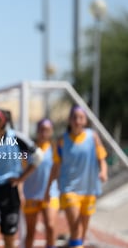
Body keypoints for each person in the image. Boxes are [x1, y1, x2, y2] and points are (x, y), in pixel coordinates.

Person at [0, 107, 44, 248]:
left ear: (1, 122)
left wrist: (21, 178)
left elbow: (38, 155)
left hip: (9, 191)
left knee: (9, 239)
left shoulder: (15, 138)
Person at [47, 105, 108, 248]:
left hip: (89, 189)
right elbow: (55, 167)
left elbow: (102, 158)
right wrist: (48, 189)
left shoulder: (92, 137)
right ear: (69, 120)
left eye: (81, 118)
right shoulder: (62, 141)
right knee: (76, 228)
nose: (77, 121)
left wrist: (103, 171)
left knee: (82, 232)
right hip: (69, 189)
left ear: (85, 120)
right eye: (74, 117)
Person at [23, 118, 59, 248]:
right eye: (42, 130)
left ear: (51, 132)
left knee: (50, 226)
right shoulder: (29, 149)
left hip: (50, 193)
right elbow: (20, 171)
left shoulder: (55, 149)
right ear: (37, 131)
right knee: (30, 231)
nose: (44, 133)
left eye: (47, 130)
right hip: (31, 193)